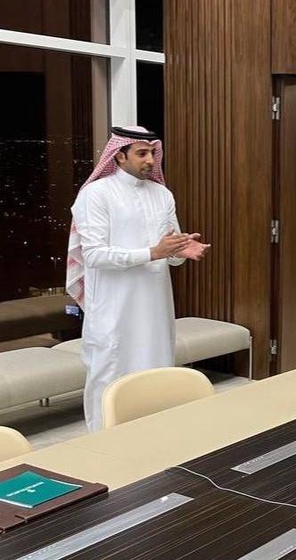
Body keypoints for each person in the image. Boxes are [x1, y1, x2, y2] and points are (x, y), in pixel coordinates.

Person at [66, 126, 209, 431]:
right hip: (114, 307)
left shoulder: (162, 194)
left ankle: (155, 441)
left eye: (152, 153)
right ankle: (103, 443)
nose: (150, 160)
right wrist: (153, 253)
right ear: (119, 156)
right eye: (141, 153)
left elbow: (170, 251)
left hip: (155, 307)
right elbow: (94, 255)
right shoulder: (96, 194)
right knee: (110, 375)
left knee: (157, 373)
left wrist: (182, 251)